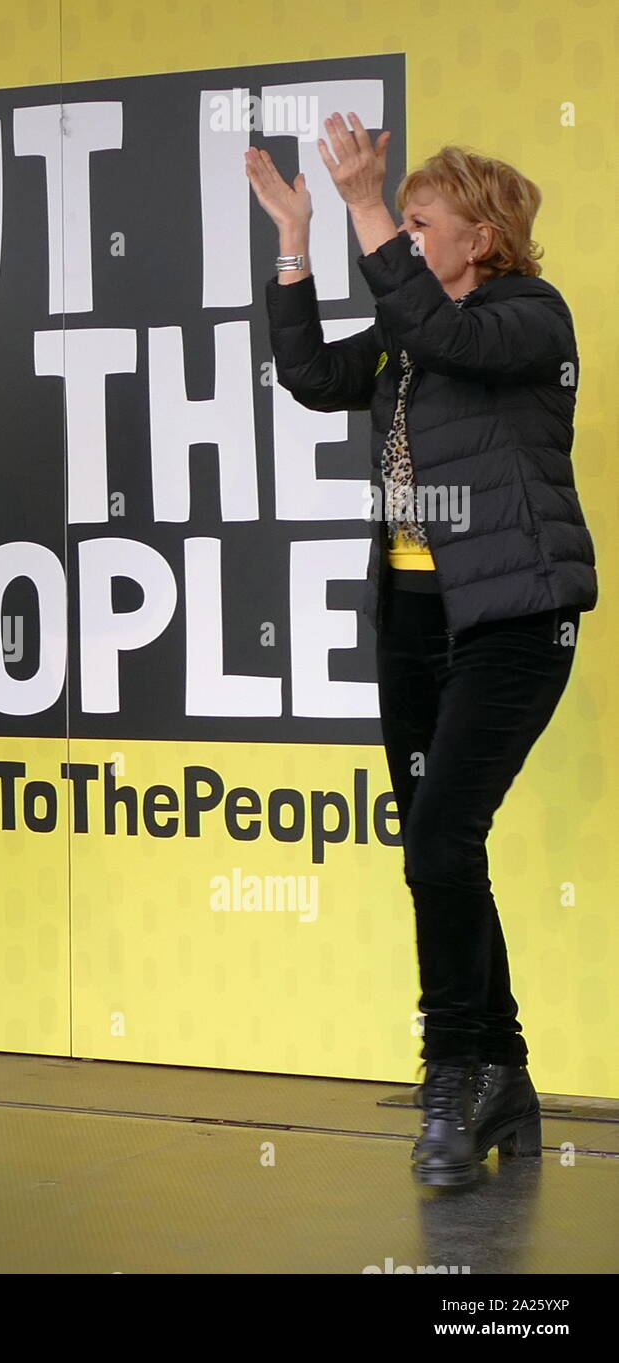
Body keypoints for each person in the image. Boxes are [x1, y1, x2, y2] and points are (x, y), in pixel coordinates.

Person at [246, 114, 596, 1186]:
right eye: (397, 217)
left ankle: (451, 1077)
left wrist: (361, 208)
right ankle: (508, 1077)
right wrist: (297, 240)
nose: (401, 229)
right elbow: (308, 373)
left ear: (477, 238)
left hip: (513, 620)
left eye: (416, 218)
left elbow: (448, 341)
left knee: (439, 840)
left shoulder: (527, 316)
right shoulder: (409, 329)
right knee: (443, 851)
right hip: (412, 625)